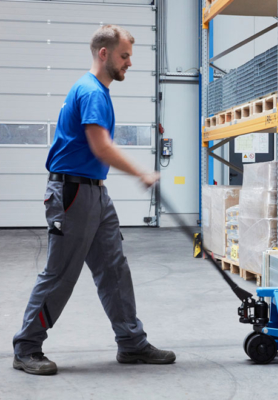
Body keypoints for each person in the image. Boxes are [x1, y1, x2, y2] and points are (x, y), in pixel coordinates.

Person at [12, 25, 175, 375]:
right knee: (60, 274)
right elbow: (101, 146)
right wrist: (142, 173)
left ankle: (131, 343)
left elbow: (97, 152)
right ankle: (26, 347)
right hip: (73, 195)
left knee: (114, 268)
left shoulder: (98, 91)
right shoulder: (90, 92)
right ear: (105, 54)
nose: (129, 62)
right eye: (125, 55)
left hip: (94, 192)